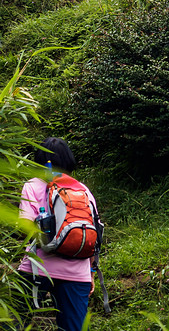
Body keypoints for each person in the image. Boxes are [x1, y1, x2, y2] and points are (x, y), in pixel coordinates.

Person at [17, 138, 98, 331]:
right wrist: (92, 271)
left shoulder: (32, 185)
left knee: (16, 322)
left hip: (37, 268)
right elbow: (93, 233)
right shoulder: (82, 189)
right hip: (77, 273)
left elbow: (25, 225)